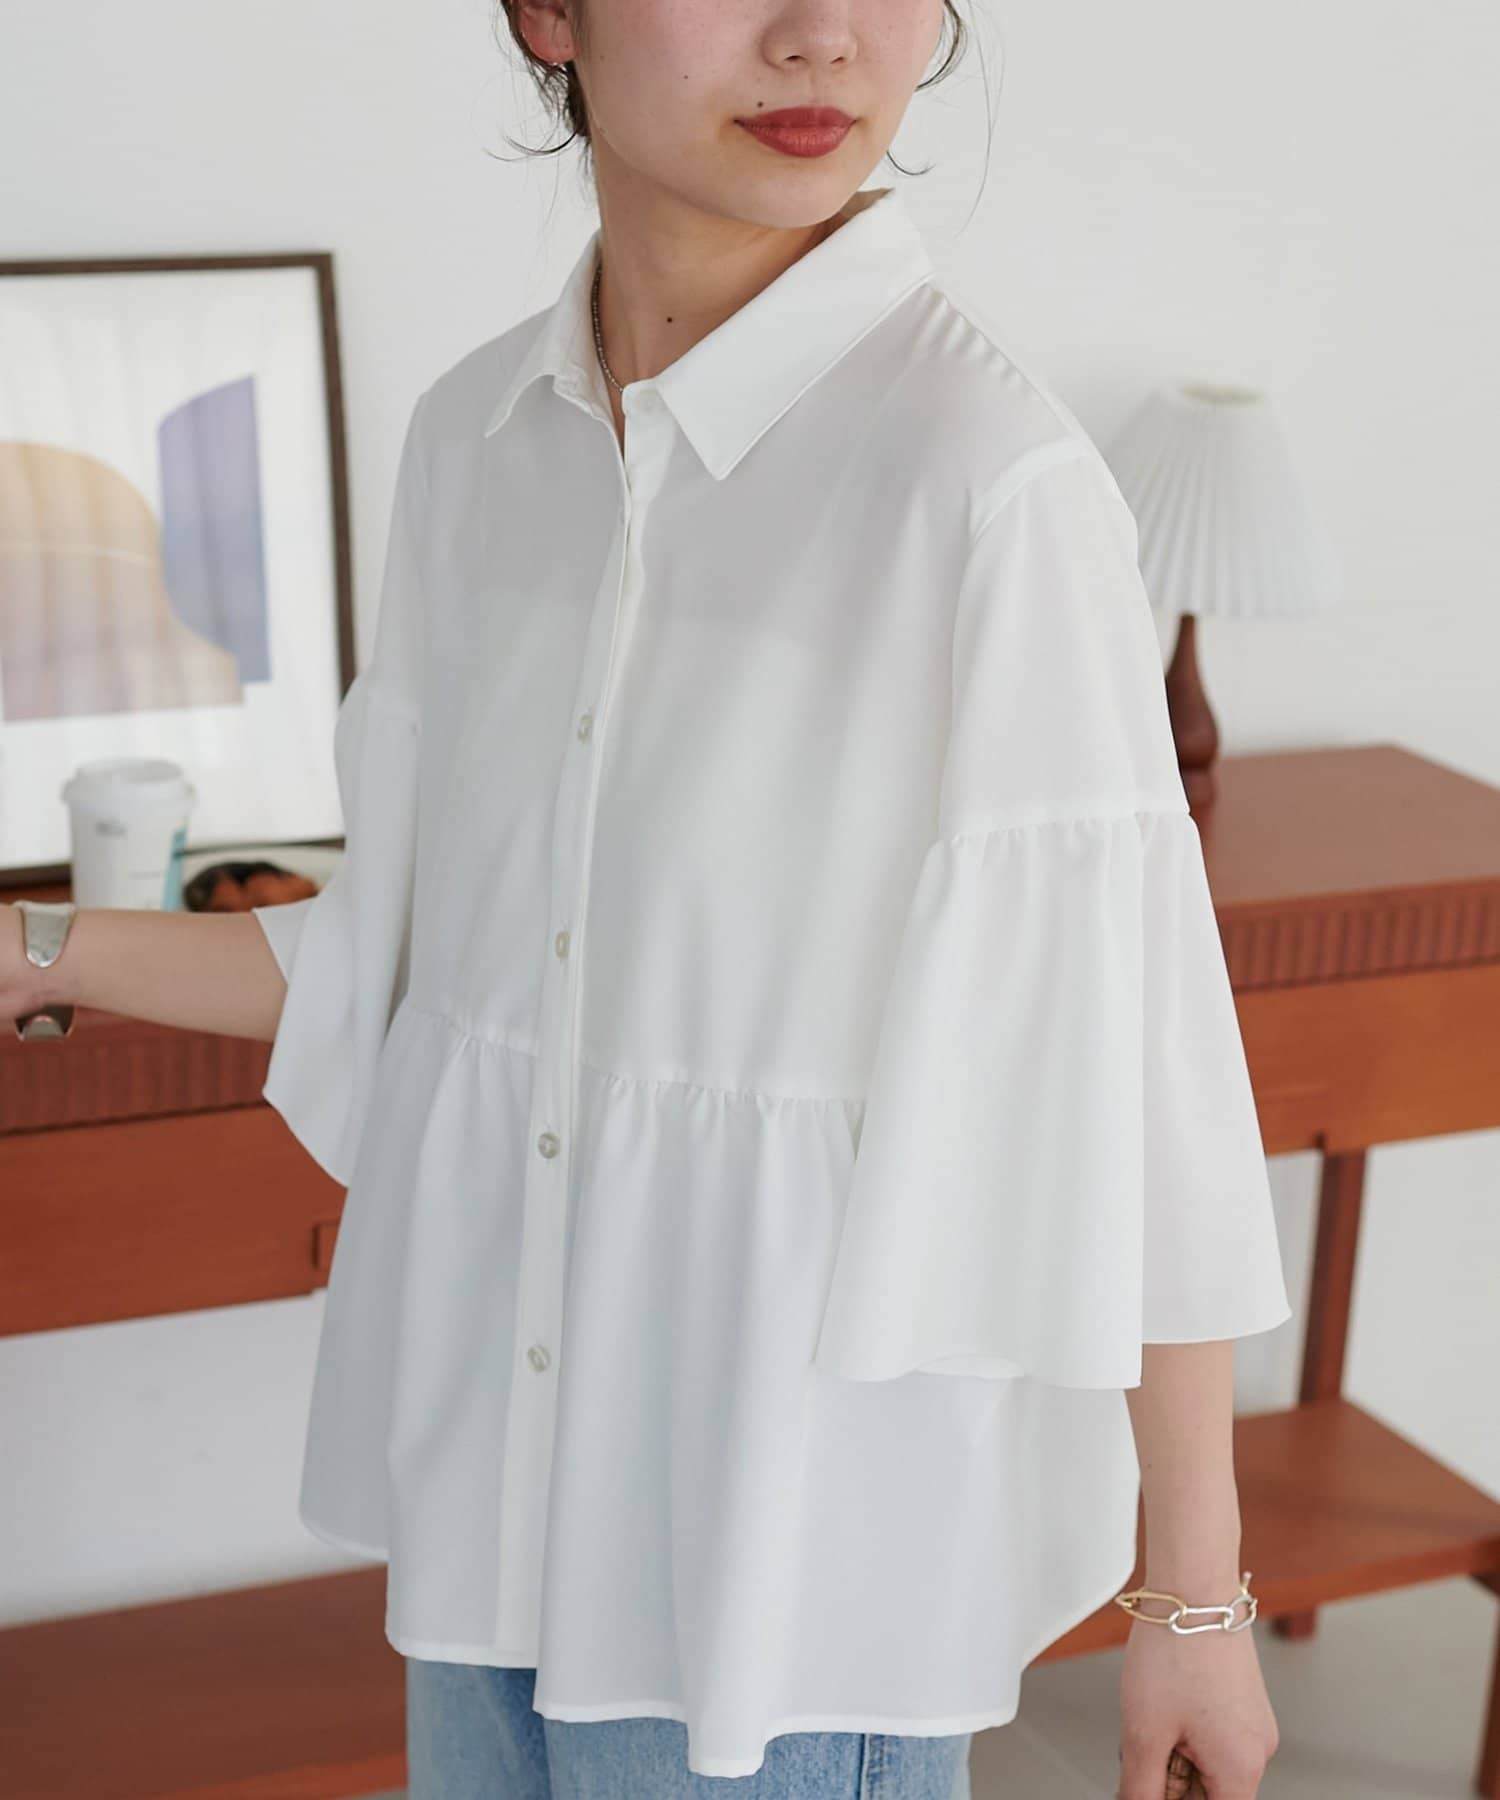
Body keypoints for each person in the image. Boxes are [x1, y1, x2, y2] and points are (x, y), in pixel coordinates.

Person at [3, 1, 1293, 1794]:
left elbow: (1127, 1081)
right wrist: (39, 947)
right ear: (550, 11)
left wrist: (1198, 1598)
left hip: (783, 1582)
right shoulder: (479, 443)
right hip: (494, 1525)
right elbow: (424, 975)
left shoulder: (988, 483)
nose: (824, 37)